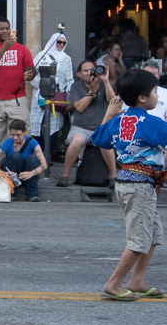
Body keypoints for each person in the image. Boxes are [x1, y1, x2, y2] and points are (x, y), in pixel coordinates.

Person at [91, 69, 167, 301]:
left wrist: (109, 114)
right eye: (154, 92)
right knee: (139, 239)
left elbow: (98, 139)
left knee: (152, 234)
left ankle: (137, 280)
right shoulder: (151, 122)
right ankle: (113, 284)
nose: (157, 97)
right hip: (139, 186)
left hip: (129, 183)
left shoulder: (118, 120)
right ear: (142, 98)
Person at [0, 17, 35, 150]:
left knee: (21, 136)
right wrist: (4, 47)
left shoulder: (22, 49)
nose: (5, 31)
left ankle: (17, 161)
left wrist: (31, 75)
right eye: (1, 29)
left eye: (7, 28)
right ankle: (2, 162)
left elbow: (31, 70)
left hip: (17, 100)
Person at [57, 60, 116, 187]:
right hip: (81, 127)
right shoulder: (76, 87)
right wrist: (92, 91)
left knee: (105, 144)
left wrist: (105, 81)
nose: (89, 73)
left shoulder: (104, 84)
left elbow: (113, 102)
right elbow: (79, 107)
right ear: (79, 74)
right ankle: (65, 176)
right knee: (76, 142)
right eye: (85, 71)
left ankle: (114, 177)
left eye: (91, 70)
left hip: (101, 128)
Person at [29, 31, 74, 147]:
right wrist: (43, 84)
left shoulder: (67, 59)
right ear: (53, 42)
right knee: (36, 124)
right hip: (40, 95)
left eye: (64, 43)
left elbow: (70, 80)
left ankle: (48, 154)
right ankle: (41, 152)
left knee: (54, 126)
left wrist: (67, 94)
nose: (61, 45)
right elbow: (31, 75)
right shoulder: (41, 56)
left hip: (57, 96)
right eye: (58, 42)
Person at [0, 119, 47, 201]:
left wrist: (32, 173)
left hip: (27, 176)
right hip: (12, 174)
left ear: (24, 132)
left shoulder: (32, 143)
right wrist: (4, 173)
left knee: (33, 158)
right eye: (13, 135)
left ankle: (32, 194)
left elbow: (44, 165)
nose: (15, 138)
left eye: (18, 135)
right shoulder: (7, 143)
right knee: (16, 156)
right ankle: (11, 191)